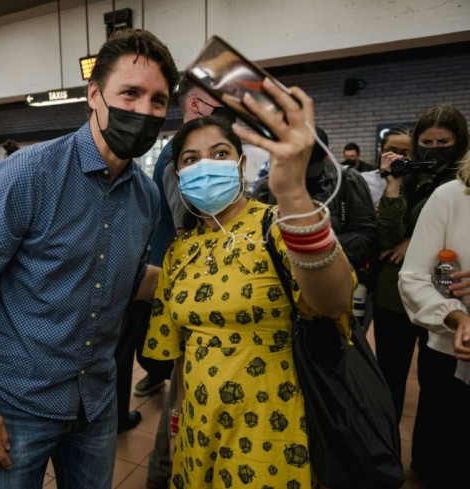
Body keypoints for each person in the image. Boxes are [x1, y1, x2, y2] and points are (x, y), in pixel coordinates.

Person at [0, 29, 179, 489]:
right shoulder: (27, 175)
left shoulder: (145, 196)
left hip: (97, 399)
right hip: (16, 403)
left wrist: (198, 280)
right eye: (130, 93)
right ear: (94, 94)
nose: (144, 111)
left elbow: (122, 279)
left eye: (158, 100)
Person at [143, 80, 355, 488]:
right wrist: (177, 426)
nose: (205, 165)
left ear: (240, 166)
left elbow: (333, 301)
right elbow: (180, 357)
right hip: (198, 429)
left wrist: (293, 192)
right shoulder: (180, 251)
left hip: (269, 431)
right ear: (178, 175)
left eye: (219, 154)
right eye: (191, 159)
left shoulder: (276, 227)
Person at [142, 76, 231, 489]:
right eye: (219, 102)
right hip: (185, 288)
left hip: (192, 287)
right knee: (183, 397)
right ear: (195, 105)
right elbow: (186, 232)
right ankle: (162, 476)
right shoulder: (179, 159)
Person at [384, 104, 469, 487]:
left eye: (444, 142)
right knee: (393, 379)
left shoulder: (454, 182)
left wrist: (410, 240)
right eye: (427, 143)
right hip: (399, 296)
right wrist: (393, 184)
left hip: (443, 298)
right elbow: (386, 238)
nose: (435, 149)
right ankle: (395, 457)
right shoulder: (419, 181)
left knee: (437, 391)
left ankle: (425, 459)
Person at [253, 126, 376, 290]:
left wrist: (316, 250)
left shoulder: (348, 181)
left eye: (309, 169)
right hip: (281, 283)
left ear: (327, 156)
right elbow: (255, 237)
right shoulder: (268, 186)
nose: (302, 176)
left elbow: (366, 234)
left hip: (334, 279)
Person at [360, 126, 412, 207]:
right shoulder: (364, 180)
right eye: (392, 151)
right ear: (382, 151)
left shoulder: (417, 181)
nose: (397, 157)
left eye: (404, 153)